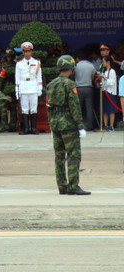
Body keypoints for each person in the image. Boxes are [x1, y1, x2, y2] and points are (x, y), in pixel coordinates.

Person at [45, 55, 90, 195]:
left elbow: (48, 106)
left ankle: (62, 186)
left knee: (59, 157)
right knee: (73, 155)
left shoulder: (51, 84)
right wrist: (80, 126)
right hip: (68, 124)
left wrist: (51, 124)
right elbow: (74, 106)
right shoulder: (70, 85)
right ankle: (73, 186)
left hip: (56, 124)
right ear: (71, 69)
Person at [14, 42, 43, 134]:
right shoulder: (19, 64)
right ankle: (26, 129)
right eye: (25, 51)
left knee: (34, 108)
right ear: (23, 52)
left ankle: (33, 129)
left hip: (33, 86)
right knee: (24, 109)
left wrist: (40, 88)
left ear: (31, 52)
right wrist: (17, 90)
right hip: (23, 87)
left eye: (29, 51)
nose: (27, 53)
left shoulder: (36, 62)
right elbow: (17, 77)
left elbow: (39, 76)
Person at [73, 54, 98, 132]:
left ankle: (78, 126)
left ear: (77, 58)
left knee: (78, 108)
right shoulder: (91, 65)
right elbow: (93, 76)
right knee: (89, 108)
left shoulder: (76, 66)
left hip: (79, 88)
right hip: (88, 87)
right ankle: (90, 126)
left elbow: (73, 75)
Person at [98, 57, 118, 131]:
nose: (102, 63)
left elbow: (112, 83)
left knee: (111, 110)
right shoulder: (103, 71)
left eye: (103, 61)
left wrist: (104, 77)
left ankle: (111, 125)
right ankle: (105, 125)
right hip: (104, 91)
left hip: (110, 92)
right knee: (104, 109)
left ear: (108, 62)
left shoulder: (112, 71)